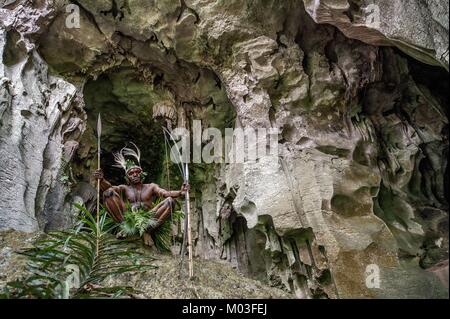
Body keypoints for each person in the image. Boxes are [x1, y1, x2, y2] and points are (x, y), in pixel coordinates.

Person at [92, 143, 189, 246]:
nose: (135, 174)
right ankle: (126, 228)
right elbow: (109, 188)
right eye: (131, 173)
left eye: (137, 172)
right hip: (128, 218)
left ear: (142, 174)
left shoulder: (151, 186)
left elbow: (165, 193)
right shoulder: (124, 188)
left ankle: (147, 231)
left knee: (170, 201)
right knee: (108, 193)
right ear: (127, 177)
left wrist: (180, 192)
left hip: (149, 219)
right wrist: (101, 179)